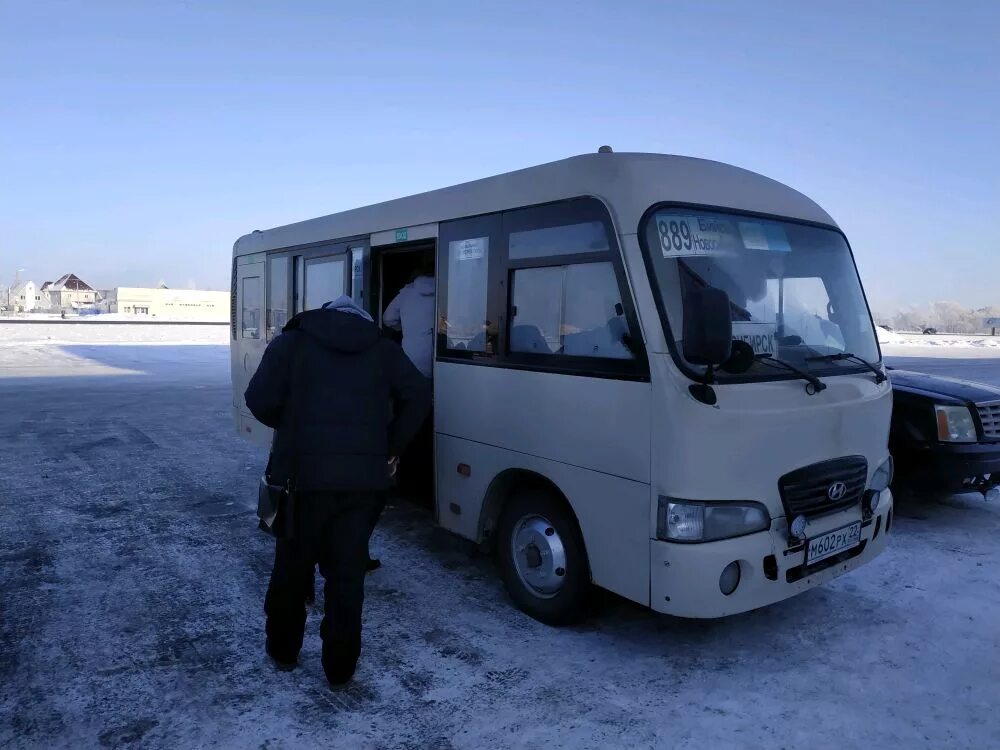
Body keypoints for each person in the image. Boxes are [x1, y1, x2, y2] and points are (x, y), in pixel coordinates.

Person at [245, 295, 430, 686]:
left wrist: (292, 424)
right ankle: (340, 668)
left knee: (291, 568)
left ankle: (283, 651)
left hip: (300, 482)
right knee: (347, 575)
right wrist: (391, 447)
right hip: (362, 484)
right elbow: (418, 395)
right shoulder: (383, 349)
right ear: (362, 320)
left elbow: (258, 399)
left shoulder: (291, 342)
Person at [382, 260, 435, 495]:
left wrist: (407, 328)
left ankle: (402, 467)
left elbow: (387, 319)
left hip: (412, 361)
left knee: (408, 413)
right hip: (440, 364)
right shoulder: (446, 288)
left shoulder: (407, 293)